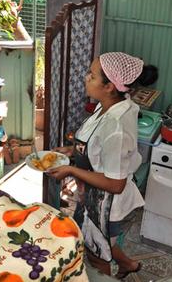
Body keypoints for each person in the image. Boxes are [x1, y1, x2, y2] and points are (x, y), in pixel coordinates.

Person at [48, 52, 145, 278]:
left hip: (108, 203)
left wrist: (71, 169)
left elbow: (115, 183)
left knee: (96, 252)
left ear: (110, 86)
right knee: (102, 243)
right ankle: (129, 265)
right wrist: (73, 152)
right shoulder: (109, 105)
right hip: (92, 195)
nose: (85, 78)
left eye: (91, 76)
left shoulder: (117, 126)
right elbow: (98, 147)